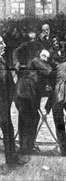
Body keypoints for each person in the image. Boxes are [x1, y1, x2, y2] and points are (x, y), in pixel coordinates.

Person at [14, 49, 53, 154]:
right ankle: (26, 147)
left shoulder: (37, 64)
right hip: (26, 94)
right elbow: (49, 71)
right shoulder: (36, 61)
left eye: (46, 58)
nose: (45, 59)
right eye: (44, 57)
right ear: (41, 56)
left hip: (25, 94)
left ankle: (27, 146)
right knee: (29, 118)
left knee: (30, 118)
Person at [0, 36, 26, 166]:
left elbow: (8, 83)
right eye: (0, 43)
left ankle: (12, 159)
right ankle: (11, 160)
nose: (4, 45)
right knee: (8, 131)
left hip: (4, 104)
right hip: (1, 105)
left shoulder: (2, 60)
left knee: (8, 131)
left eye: (3, 42)